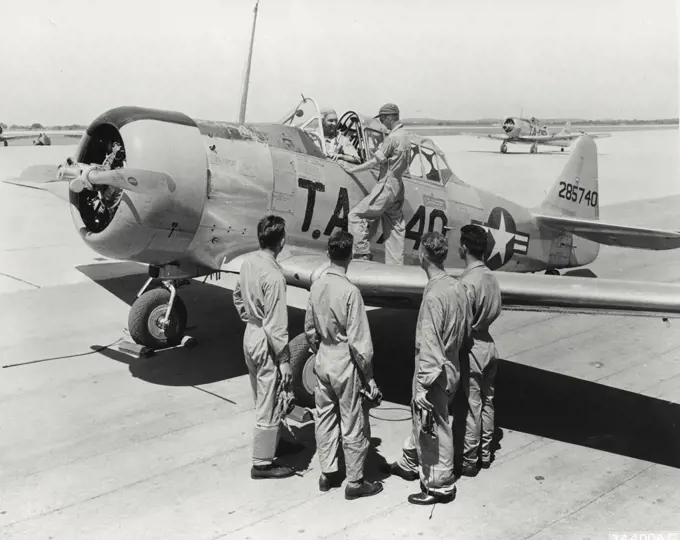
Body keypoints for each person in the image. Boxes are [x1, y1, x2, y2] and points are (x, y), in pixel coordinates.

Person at [383, 232, 471, 505]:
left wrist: (423, 384)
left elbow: (430, 342)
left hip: (434, 372)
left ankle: (440, 486)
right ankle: (409, 464)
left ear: (423, 254)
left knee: (434, 427)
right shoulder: (456, 286)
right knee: (424, 423)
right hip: (451, 364)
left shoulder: (434, 295)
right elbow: (466, 327)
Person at [304, 230, 383, 500]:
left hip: (323, 357)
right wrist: (369, 378)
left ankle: (327, 473)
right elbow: (361, 344)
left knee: (324, 417)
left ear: (328, 254)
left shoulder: (316, 285)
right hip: (344, 361)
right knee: (352, 420)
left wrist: (321, 350)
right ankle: (355, 481)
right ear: (350, 256)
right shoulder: (351, 292)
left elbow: (309, 330)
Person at [233, 215, 295, 479]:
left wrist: (250, 319)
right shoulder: (274, 275)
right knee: (269, 399)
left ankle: (274, 441)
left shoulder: (248, 263)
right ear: (281, 241)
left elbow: (237, 295)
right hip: (266, 339)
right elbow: (277, 326)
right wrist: (285, 360)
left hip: (251, 333)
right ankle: (262, 463)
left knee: (261, 393)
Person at [458, 224, 502, 476]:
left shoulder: (467, 281)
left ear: (464, 247)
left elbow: (461, 321)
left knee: (472, 405)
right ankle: (485, 455)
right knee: (488, 402)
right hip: (489, 344)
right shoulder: (492, 278)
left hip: (472, 347)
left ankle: (468, 459)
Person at [340, 103, 409, 265]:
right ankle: (395, 268)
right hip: (399, 186)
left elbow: (374, 162)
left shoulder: (392, 138)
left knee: (355, 216)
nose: (382, 123)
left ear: (388, 118)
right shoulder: (406, 136)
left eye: (383, 119)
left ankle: (362, 256)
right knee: (395, 228)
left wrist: (353, 169)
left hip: (386, 184)